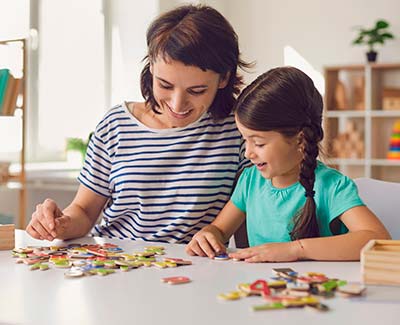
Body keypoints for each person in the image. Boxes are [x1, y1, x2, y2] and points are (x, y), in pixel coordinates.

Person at [26, 4, 252, 243]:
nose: (177, 104)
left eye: (196, 90)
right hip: (114, 265)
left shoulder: (239, 129)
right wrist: (61, 224)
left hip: (193, 271)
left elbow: (251, 205)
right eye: (165, 85)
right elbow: (83, 211)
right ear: (151, 67)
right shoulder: (115, 125)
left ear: (224, 78)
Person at [186, 66, 391, 261]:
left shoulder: (331, 186)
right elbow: (220, 230)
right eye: (245, 140)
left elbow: (378, 239)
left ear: (300, 140)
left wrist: (295, 250)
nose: (248, 153)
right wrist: (208, 234)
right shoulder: (250, 181)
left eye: (258, 143)